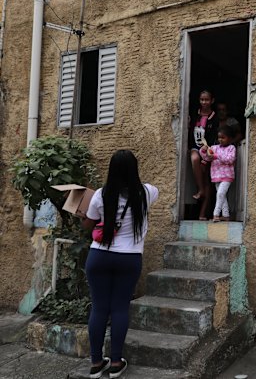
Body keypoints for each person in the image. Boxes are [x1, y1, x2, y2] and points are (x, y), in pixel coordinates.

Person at [81, 150, 159, 379]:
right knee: (119, 308)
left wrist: (82, 215)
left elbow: (89, 224)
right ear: (134, 169)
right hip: (129, 258)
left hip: (99, 257)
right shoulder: (146, 192)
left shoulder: (100, 195)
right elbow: (155, 191)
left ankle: (96, 362)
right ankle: (115, 362)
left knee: (99, 308)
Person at [188, 90, 219, 220]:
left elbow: (214, 138)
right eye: (202, 99)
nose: (204, 102)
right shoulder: (195, 114)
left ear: (212, 101)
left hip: (208, 151)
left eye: (206, 100)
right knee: (194, 158)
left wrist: (206, 159)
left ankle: (202, 213)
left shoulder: (214, 117)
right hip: (196, 147)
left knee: (207, 180)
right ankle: (200, 190)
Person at [199, 125, 237, 222]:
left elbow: (230, 159)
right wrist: (203, 150)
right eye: (219, 137)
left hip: (227, 176)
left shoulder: (231, 148)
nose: (220, 139)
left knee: (220, 194)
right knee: (222, 196)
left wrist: (216, 156)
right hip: (216, 176)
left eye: (223, 137)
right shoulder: (214, 148)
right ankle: (225, 215)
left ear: (230, 139)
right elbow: (207, 158)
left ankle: (215, 214)